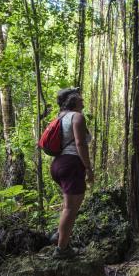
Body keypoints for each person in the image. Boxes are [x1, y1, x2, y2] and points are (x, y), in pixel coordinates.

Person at [50, 88, 94, 259]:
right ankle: (62, 249)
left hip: (58, 165)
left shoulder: (60, 117)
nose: (83, 100)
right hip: (72, 165)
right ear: (73, 100)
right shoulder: (77, 117)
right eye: (80, 98)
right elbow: (80, 144)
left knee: (68, 205)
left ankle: (58, 236)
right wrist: (88, 168)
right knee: (70, 207)